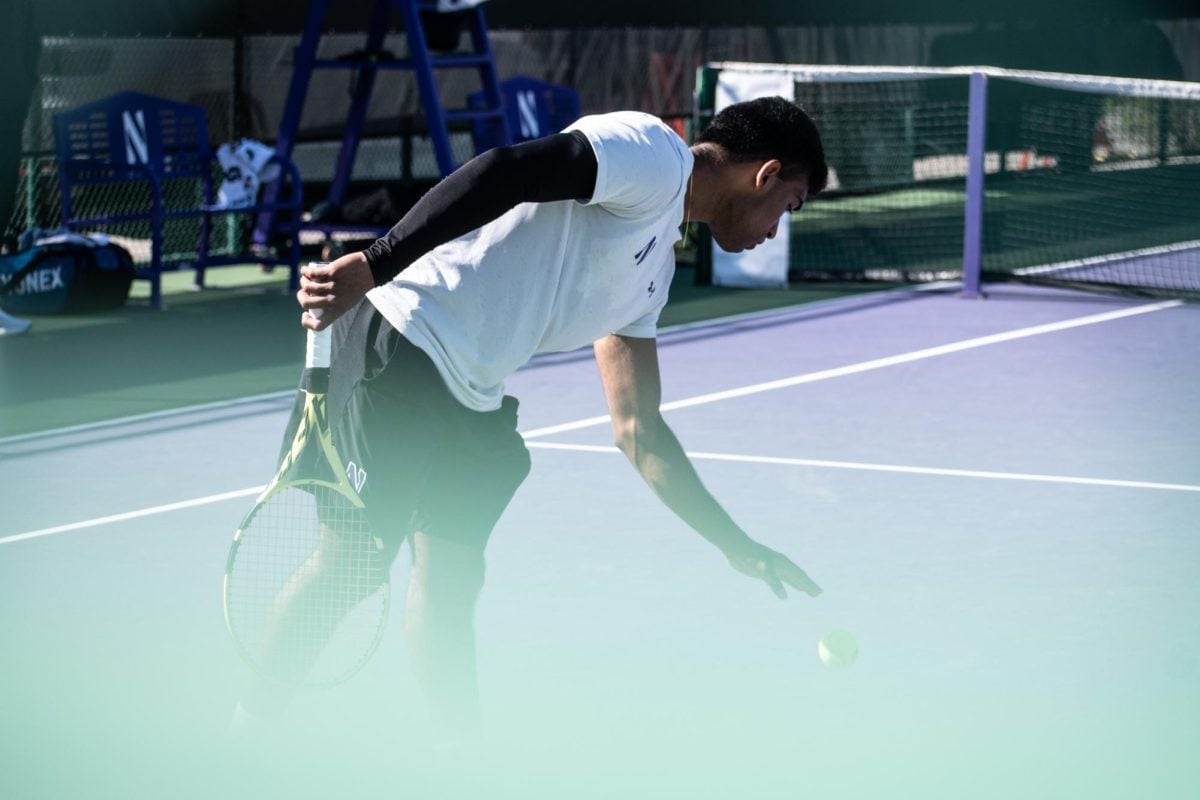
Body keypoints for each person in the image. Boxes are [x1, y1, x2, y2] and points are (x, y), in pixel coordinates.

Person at [234, 96, 828, 742]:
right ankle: (244, 741)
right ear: (765, 174)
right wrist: (374, 263)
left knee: (453, 580)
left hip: (472, 397)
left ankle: (460, 761)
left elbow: (639, 431)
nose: (776, 228)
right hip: (402, 340)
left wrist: (735, 543)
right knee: (350, 566)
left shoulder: (650, 276)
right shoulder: (654, 156)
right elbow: (503, 170)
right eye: (789, 207)